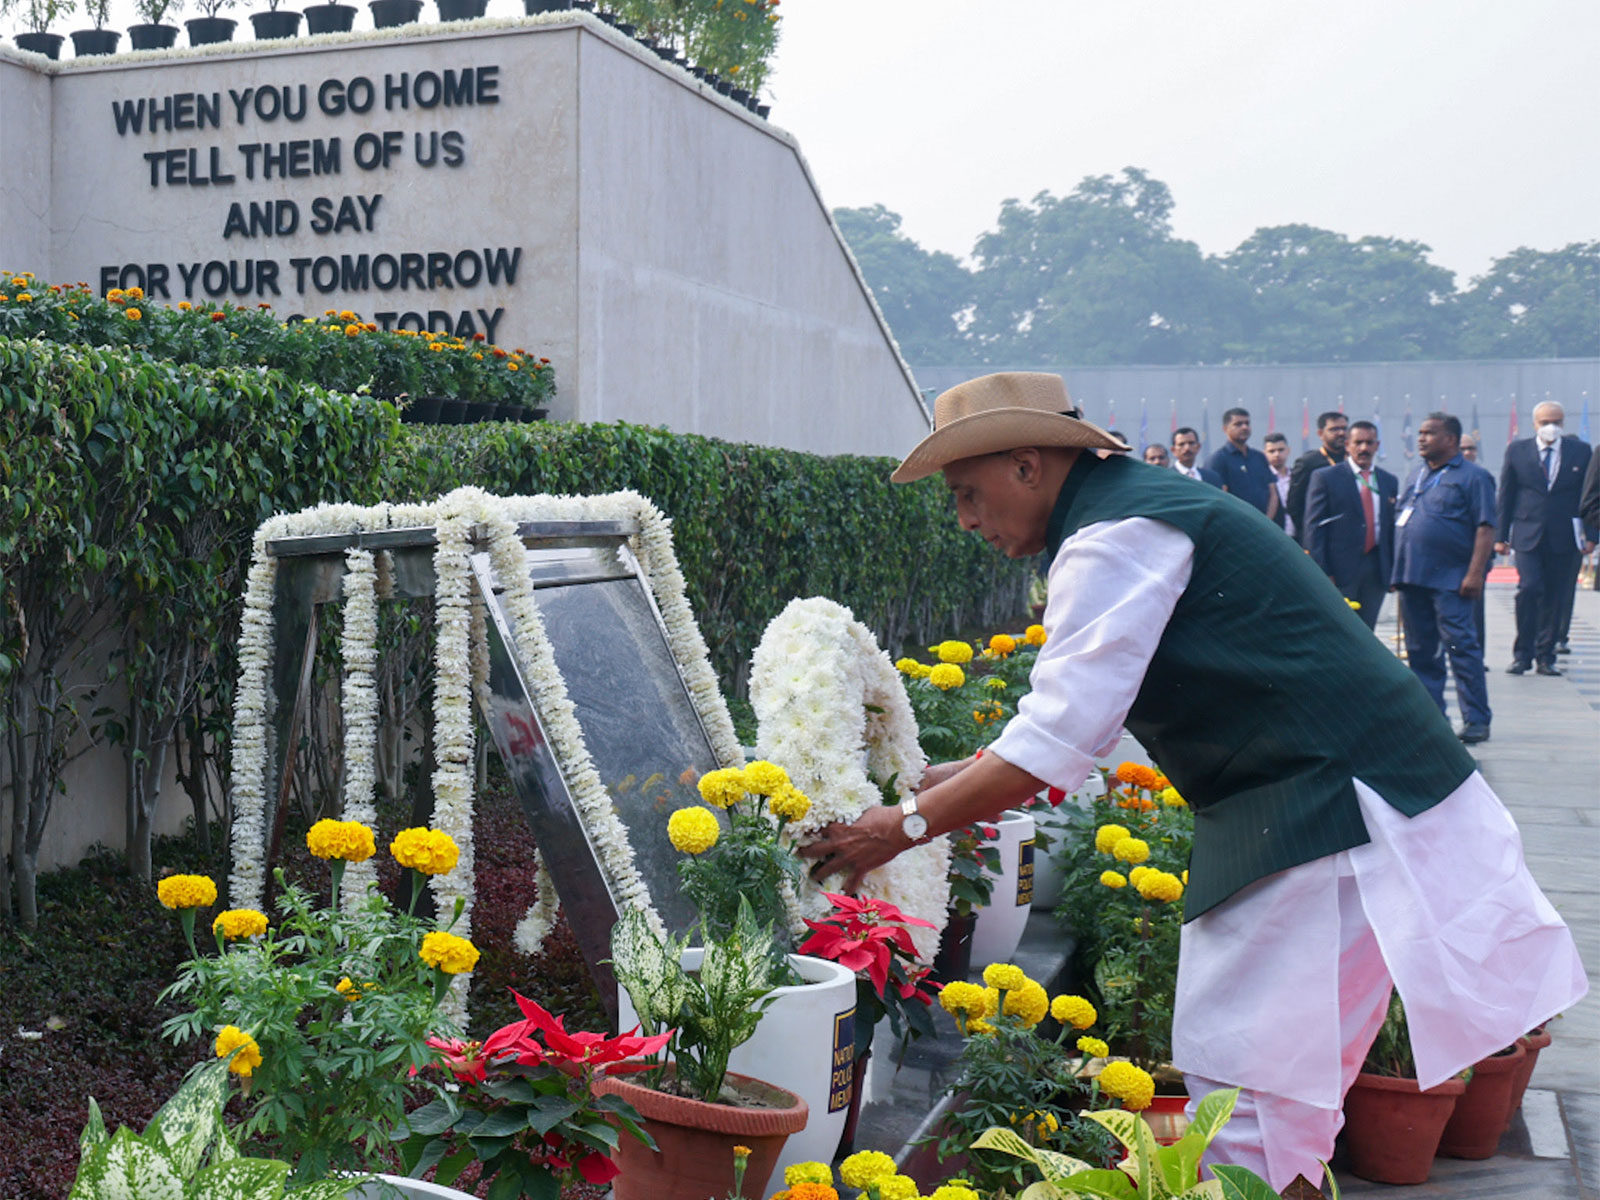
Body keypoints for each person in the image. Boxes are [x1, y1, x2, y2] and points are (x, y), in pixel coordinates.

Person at [802, 373, 1583, 1191]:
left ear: (1027, 466)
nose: (964, 519)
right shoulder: (1132, 509)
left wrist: (899, 824)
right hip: (1327, 801)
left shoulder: (1116, 534)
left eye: (967, 492)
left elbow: (1056, 741)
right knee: (1270, 1093)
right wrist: (941, 778)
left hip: (1330, 809)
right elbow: (1071, 725)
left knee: (1250, 1096)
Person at [1391, 413, 1496, 744]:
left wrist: (1476, 572)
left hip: (1451, 580)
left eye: (1429, 433)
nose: (1421, 439)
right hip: (1413, 577)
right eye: (1420, 433)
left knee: (1461, 647)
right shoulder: (1416, 475)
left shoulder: (1474, 477)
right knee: (1420, 652)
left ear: (1451, 439)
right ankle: (1432, 718)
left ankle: (1477, 718)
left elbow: (1485, 527)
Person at [1495, 401, 1596, 675]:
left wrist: (1592, 535)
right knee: (1529, 589)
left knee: (1556, 595)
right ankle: (1522, 654)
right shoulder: (1518, 450)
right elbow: (1507, 495)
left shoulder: (1580, 451)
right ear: (1534, 423)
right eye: (1545, 421)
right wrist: (1500, 535)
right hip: (1528, 533)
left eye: (1557, 421)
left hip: (1565, 535)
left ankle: (1545, 656)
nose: (1551, 426)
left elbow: (1590, 496)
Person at [1304, 421, 1396, 629]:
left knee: (1367, 631)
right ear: (1347, 444)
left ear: (1377, 445)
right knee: (1338, 629)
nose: (1364, 448)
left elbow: (1390, 528)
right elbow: (1314, 527)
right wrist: (1323, 571)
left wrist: (1391, 570)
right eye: (1358, 442)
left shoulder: (1388, 481)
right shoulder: (1326, 477)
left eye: (1369, 443)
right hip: (1339, 570)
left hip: (1375, 569)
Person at [1286, 412, 1349, 543]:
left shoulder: (1353, 460)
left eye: (1344, 428)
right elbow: (1294, 504)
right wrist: (1309, 533)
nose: (1341, 433)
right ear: (1320, 433)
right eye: (1334, 429)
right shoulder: (1308, 462)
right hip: (1320, 536)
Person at [1206, 407, 1274, 513]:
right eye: (1238, 424)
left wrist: (1267, 522)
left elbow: (1272, 493)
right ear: (1225, 429)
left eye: (1247, 423)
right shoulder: (1218, 459)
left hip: (1264, 524)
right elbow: (1220, 498)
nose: (1244, 427)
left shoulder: (1259, 457)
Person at [1262, 432, 1295, 535]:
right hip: (1274, 533)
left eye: (1281, 450)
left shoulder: (1296, 476)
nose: (1277, 454)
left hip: (1297, 534)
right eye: (1271, 451)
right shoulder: (1262, 479)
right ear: (1264, 454)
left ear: (1288, 451)